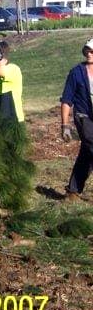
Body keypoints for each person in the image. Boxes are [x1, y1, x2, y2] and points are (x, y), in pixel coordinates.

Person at [60, 38, 93, 199]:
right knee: (92, 145)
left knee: (87, 153)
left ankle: (73, 190)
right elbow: (66, 100)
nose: (89, 53)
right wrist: (65, 125)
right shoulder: (77, 72)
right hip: (83, 115)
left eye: (92, 51)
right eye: (87, 50)